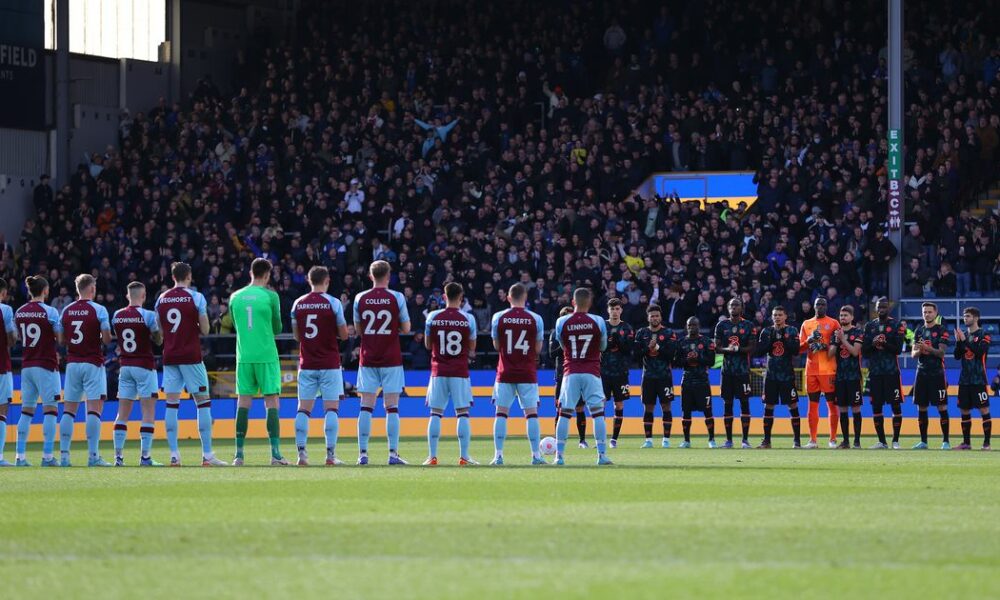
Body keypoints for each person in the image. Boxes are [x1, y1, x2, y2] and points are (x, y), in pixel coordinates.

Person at [155, 262, 226, 467]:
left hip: (170, 357)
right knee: (202, 402)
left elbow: (160, 331)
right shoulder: (196, 297)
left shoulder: (162, 298)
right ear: (189, 276)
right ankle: (207, 455)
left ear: (173, 277)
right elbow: (204, 329)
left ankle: (174, 456)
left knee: (171, 405)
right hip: (191, 356)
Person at [352, 260, 411, 465]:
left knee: (365, 406)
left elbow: (359, 330)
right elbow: (406, 328)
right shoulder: (397, 297)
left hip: (368, 358)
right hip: (391, 358)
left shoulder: (360, 298)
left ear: (370, 276)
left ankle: (363, 454)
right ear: (388, 276)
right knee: (392, 407)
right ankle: (393, 454)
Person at [291, 266, 350, 466]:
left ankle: (301, 455)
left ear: (309, 280)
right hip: (329, 364)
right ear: (327, 281)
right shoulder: (333, 303)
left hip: (307, 363)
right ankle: (330, 456)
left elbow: (297, 336)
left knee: (303, 410)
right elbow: (344, 335)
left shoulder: (298, 304)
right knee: (331, 409)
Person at [230, 258, 286, 466]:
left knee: (243, 403)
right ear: (267, 275)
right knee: (271, 402)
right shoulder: (271, 296)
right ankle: (275, 455)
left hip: (244, 357)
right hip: (266, 356)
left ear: (251, 273)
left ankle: (239, 455)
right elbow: (278, 327)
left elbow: (236, 325)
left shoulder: (235, 297)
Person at [553, 288, 612, 465]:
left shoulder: (562, 321)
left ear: (573, 302)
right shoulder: (598, 321)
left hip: (570, 371)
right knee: (598, 414)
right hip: (592, 372)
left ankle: (559, 457)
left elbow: (562, 345)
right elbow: (603, 346)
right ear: (590, 303)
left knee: (564, 414)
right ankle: (601, 456)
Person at [59, 274, 113, 467]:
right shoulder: (99, 310)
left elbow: (60, 339)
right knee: (94, 410)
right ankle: (93, 456)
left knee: (69, 411)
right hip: (92, 362)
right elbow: (107, 339)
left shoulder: (66, 310)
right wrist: (101, 334)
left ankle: (64, 457)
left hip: (73, 362)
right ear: (91, 289)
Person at [490, 283, 547, 465]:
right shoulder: (535, 318)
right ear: (525, 298)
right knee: (531, 414)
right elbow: (538, 348)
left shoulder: (498, 317)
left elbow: (496, 346)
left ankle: (498, 455)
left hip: (505, 371)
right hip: (527, 372)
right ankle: (536, 456)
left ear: (508, 298)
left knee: (501, 414)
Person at [423, 282, 477, 465]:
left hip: (438, 370)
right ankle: (464, 456)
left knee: (435, 413)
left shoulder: (432, 316)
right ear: (461, 298)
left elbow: (428, 345)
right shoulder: (468, 319)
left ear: (444, 297)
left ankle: (432, 456)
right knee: (462, 413)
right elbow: (472, 347)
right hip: (459, 371)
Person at [111, 282, 163, 466]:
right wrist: (157, 332)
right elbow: (158, 340)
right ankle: (145, 457)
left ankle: (118, 457)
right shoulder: (148, 315)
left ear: (127, 295)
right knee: (148, 413)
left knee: (122, 414)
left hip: (125, 366)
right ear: (144, 295)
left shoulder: (117, 315)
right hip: (144, 365)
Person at [14, 276, 62, 466]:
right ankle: (48, 456)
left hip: (27, 366)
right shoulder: (50, 312)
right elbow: (59, 337)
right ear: (45, 291)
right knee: (50, 410)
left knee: (26, 411)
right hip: (46, 365)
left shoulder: (20, 312)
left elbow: (18, 336)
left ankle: (20, 456)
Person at [862, 297, 907, 449]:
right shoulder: (869, 326)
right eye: (879, 307)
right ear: (875, 308)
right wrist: (874, 345)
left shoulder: (896, 325)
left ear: (888, 308)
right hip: (875, 373)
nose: (881, 309)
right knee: (876, 406)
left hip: (891, 372)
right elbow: (865, 351)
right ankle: (882, 441)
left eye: (884, 307)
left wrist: (884, 343)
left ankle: (895, 441)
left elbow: (898, 349)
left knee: (895, 406)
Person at [714, 298, 757, 449]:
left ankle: (745, 440)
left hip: (743, 372)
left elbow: (752, 347)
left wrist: (738, 349)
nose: (733, 307)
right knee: (727, 404)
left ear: (742, 308)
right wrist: (728, 349)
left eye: (736, 305)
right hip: (727, 372)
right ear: (728, 308)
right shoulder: (721, 325)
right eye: (731, 305)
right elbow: (717, 348)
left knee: (744, 403)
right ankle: (728, 441)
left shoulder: (748, 325)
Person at [756, 306, 802, 449]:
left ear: (785, 316)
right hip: (771, 375)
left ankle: (797, 441)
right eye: (775, 315)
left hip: (787, 375)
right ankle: (767, 441)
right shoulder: (766, 331)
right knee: (768, 406)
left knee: (792, 405)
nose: (777, 317)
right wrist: (771, 340)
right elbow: (760, 351)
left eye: (780, 315)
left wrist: (783, 337)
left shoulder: (792, 331)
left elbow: (795, 351)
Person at [798, 297, 841, 448]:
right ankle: (812, 440)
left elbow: (838, 344)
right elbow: (799, 348)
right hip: (811, 370)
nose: (820, 307)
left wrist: (825, 347)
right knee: (812, 405)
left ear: (826, 306)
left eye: (823, 304)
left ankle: (833, 439)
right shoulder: (806, 324)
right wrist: (809, 341)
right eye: (818, 304)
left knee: (832, 405)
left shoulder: (834, 323)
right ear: (814, 306)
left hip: (829, 370)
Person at [634, 305, 677, 448]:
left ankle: (666, 439)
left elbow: (671, 356)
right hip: (648, 376)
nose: (655, 318)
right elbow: (635, 355)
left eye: (657, 316)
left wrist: (657, 347)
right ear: (648, 317)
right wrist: (648, 348)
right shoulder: (641, 333)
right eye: (652, 316)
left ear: (661, 317)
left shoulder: (669, 332)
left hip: (664, 376)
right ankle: (648, 440)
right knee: (648, 407)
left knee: (666, 406)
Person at [910, 302, 951, 450]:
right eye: (924, 312)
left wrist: (927, 348)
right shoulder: (918, 331)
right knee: (921, 407)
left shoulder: (942, 330)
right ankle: (923, 441)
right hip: (921, 373)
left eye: (929, 312)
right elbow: (913, 354)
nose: (926, 314)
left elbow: (941, 353)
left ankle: (945, 441)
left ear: (935, 313)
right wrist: (919, 351)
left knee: (941, 406)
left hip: (937, 373)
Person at [673, 316, 717, 448]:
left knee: (707, 411)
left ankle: (711, 440)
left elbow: (712, 361)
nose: (692, 327)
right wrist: (687, 360)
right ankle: (686, 440)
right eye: (689, 325)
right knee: (685, 412)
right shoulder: (681, 342)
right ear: (687, 327)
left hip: (702, 381)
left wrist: (699, 357)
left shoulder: (707, 341)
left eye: (694, 325)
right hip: (687, 382)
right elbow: (675, 362)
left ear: (699, 326)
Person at [953, 307, 992, 450]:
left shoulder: (984, 334)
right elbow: (957, 356)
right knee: (964, 410)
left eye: (968, 316)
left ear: (976, 318)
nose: (965, 318)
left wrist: (965, 341)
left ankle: (986, 444)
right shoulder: (963, 335)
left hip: (978, 379)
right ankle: (966, 443)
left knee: (984, 410)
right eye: (964, 316)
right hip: (964, 380)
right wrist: (958, 342)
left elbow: (980, 352)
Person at [550, 306, 587, 445]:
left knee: (579, 408)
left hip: (578, 372)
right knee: (560, 407)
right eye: (566, 315)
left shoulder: (581, 331)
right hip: (561, 374)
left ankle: (582, 440)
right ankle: (558, 440)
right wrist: (565, 343)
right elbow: (551, 354)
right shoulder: (555, 333)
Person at [829, 306, 864, 449]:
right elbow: (830, 354)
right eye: (841, 315)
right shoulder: (836, 333)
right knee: (842, 409)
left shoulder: (857, 332)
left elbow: (855, 352)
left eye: (845, 315)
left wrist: (843, 339)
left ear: (852, 317)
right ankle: (845, 441)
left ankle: (857, 441)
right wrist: (837, 340)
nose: (843, 317)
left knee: (855, 409)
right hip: (840, 377)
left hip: (854, 376)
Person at [602, 298, 634, 448]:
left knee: (619, 404)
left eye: (617, 309)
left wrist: (619, 342)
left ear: (621, 310)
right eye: (612, 309)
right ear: (608, 310)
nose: (614, 312)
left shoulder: (627, 328)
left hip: (621, 372)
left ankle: (614, 439)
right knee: (600, 404)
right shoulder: (602, 326)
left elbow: (629, 351)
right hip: (603, 372)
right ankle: (601, 438)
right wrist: (608, 344)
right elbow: (597, 348)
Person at [0, 280, 18, 466]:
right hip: (1, 367)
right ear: (3, 293)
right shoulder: (5, 310)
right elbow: (12, 338)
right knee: (2, 411)